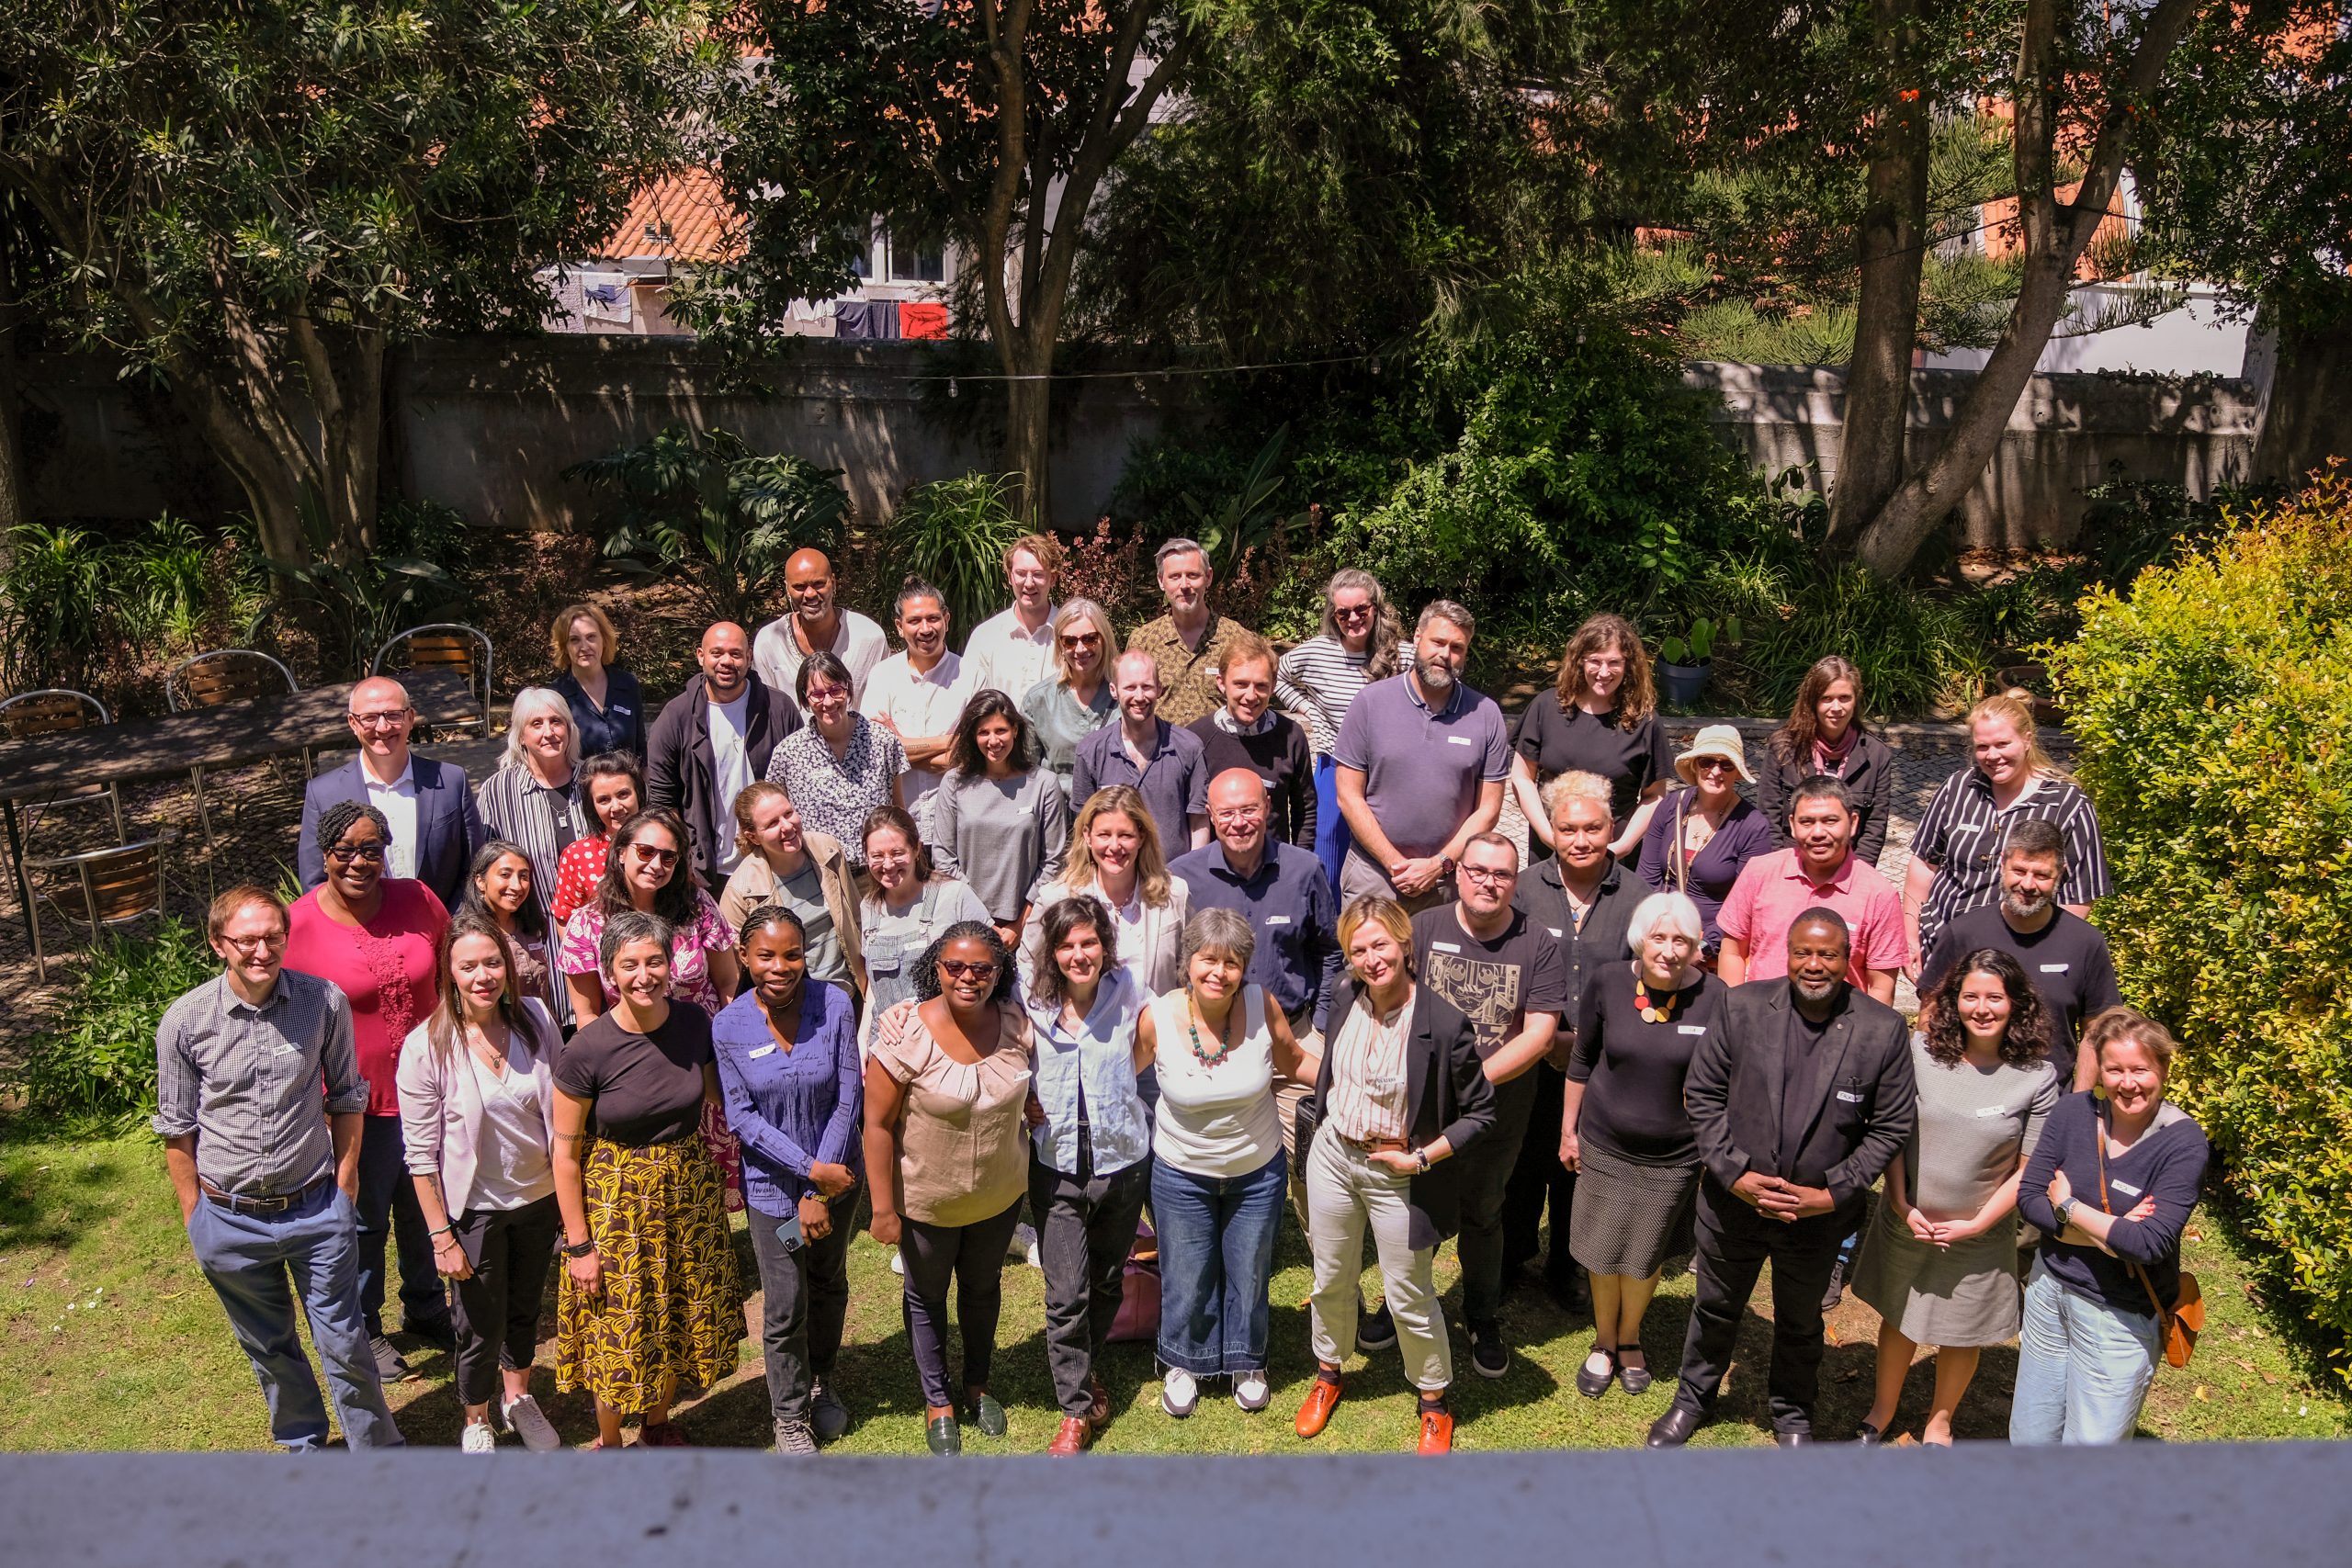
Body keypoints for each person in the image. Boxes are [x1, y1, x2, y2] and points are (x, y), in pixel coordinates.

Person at [1647, 911, 1914, 1448]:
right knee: (1716, 1308)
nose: (1814, 966)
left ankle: (1792, 1414)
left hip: (1816, 1218)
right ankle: (1693, 1399)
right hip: (1732, 1205)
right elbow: (1703, 1095)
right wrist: (1734, 1174)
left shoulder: (1881, 1030)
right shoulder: (1741, 1006)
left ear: (1848, 959)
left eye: (1829, 955)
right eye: (1803, 953)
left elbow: (1891, 1126)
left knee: (1799, 1320)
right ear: (1787, 953)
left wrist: (1832, 1192)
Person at [154, 885, 403, 1451]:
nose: (262, 951)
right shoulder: (184, 1022)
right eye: (247, 940)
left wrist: (345, 1190)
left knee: (344, 1343)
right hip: (229, 1219)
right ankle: (304, 1446)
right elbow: (177, 1127)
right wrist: (197, 1217)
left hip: (316, 1208)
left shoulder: (325, 1002)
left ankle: (381, 1457)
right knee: (269, 1347)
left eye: (273, 937)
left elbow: (346, 1097)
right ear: (219, 944)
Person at [1295, 896, 1494, 1455]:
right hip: (1334, 1156)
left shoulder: (1445, 1022)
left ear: (1405, 945)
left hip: (1398, 1171)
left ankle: (1433, 1400)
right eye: (1358, 950)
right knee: (1331, 1278)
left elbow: (1481, 1114)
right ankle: (1329, 1373)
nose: (1370, 959)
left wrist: (1423, 1157)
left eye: (1380, 944)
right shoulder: (1340, 996)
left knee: (1408, 1292)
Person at [1850, 949, 2061, 1446]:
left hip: (1978, 1233)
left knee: (1961, 1330)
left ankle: (1940, 1421)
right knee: (1899, 1314)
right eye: (1971, 996)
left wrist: (1979, 1224)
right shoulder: (1919, 1052)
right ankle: (1883, 1410)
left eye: (1995, 997)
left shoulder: (2038, 1077)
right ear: (1954, 1001)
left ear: (2017, 1005)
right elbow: (1893, 1131)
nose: (1981, 1008)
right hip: (1907, 1218)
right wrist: (1900, 1201)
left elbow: (2028, 1172)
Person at [551, 910, 743, 1449]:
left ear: (670, 963)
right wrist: (579, 1244)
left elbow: (716, 1095)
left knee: (678, 1309)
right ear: (609, 972)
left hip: (688, 1189)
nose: (644, 975)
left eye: (654, 961)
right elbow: (564, 1157)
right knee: (621, 1323)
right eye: (629, 964)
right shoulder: (587, 1049)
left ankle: (656, 1427)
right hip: (618, 1203)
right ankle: (612, 1444)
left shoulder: (692, 1024)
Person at [284, 799, 452, 1383]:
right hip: (356, 1100)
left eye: (371, 850)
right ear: (325, 856)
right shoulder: (299, 924)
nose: (359, 862)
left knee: (424, 1200)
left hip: (431, 1084)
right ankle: (365, 1325)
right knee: (363, 1215)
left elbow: (452, 962)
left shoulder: (417, 899)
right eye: (345, 852)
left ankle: (427, 1302)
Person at [396, 911, 566, 1453]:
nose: (483, 976)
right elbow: (419, 1157)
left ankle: (518, 1399)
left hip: (538, 1197)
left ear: (508, 965)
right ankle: (476, 1419)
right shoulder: (427, 1047)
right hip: (476, 1208)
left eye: (492, 962)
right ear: (449, 972)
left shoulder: (536, 1019)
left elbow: (562, 1113)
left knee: (524, 1309)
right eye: (468, 966)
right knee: (476, 1321)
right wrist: (441, 1236)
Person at [1142, 908, 1320, 1420]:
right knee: (1188, 1269)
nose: (1219, 972)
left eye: (1231, 962)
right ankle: (1184, 1362)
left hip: (1256, 1171)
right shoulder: (1157, 1017)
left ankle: (1247, 1359)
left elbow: (1293, 1060)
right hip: (1180, 1170)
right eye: (1208, 960)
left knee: (1250, 1267)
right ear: (1188, 963)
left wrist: (1347, 1079)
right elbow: (1118, 1072)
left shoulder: (1263, 1006)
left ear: (1245, 967)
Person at [864, 923, 1035, 1455]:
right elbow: (876, 1125)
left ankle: (977, 1385)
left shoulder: (1015, 1024)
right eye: (955, 967)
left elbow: (1032, 1089)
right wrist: (884, 1209)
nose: (968, 978)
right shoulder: (904, 1033)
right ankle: (938, 1402)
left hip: (999, 1197)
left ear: (998, 973)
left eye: (982, 968)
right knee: (927, 1299)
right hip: (927, 1203)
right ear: (934, 969)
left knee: (983, 1293)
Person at [1408, 830, 1566, 1381]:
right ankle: (1403, 1305)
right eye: (1478, 870)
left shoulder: (1538, 942)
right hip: (1422, 1104)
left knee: (1483, 1211)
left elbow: (1540, 1034)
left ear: (1514, 881)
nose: (1488, 882)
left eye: (1501, 874)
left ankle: (1481, 1314)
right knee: (1413, 1209)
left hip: (1498, 1109)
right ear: (1458, 873)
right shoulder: (1423, 928)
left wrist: (1468, 1082)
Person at [2012, 1007, 2210, 1446]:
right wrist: (2109, 1233)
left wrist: (2067, 1206)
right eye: (2114, 1069)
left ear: (2163, 1067)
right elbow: (2028, 1200)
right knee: (2030, 1435)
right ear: (2099, 1069)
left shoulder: (2183, 1142)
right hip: (2050, 1292)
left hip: (2119, 1315)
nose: (2127, 1083)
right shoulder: (2070, 1115)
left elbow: (2149, 1242)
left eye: (2140, 1069)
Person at [1560, 892, 1725, 1401]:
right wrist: (1569, 1129)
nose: (1669, 950)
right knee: (1602, 1249)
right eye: (1659, 937)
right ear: (1640, 939)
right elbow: (1583, 1058)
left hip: (1675, 1155)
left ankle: (1631, 1336)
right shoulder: (1608, 981)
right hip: (1605, 1144)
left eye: (1681, 940)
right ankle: (1604, 1340)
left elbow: (1723, 1081)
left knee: (1646, 1253)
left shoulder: (1716, 997)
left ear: (1696, 946)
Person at [711, 905, 863, 1454]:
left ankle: (822, 1377)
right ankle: (788, 1414)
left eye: (793, 954)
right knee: (785, 1299)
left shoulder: (836, 1004)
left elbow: (848, 1097)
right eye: (766, 956)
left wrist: (820, 1187)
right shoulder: (728, 1026)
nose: (781, 966)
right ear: (744, 959)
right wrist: (805, 1178)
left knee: (827, 1280)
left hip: (839, 1182)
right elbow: (743, 1118)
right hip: (774, 1196)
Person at [1170, 769, 1343, 1225]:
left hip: (1296, 1037)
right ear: (1210, 815)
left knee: (1312, 1161)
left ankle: (1327, 1271)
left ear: (1268, 809)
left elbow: (1330, 950)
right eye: (1226, 813)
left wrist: (1322, 1023)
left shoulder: (1304, 870)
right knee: (1216, 1159)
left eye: (1249, 809)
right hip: (1214, 1043)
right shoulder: (1182, 879)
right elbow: (1174, 958)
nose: (1239, 822)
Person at [1504, 771, 1645, 1312]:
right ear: (1551, 832)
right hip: (1528, 1054)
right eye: (1568, 829)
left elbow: (1646, 981)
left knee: (1577, 1166)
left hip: (1602, 1062)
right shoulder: (1525, 890)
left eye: (1592, 828)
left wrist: (1586, 1042)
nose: (1581, 840)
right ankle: (1512, 1256)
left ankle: (1566, 1265)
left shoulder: (1637, 897)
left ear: (1612, 828)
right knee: (1523, 1159)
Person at [1021, 895, 1153, 1453]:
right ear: (1052, 952)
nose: (1080, 954)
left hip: (1122, 1161)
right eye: (1068, 945)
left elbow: (1147, 1046)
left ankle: (1086, 1365)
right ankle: (1074, 1409)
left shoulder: (1130, 992)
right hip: (1057, 1170)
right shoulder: (1028, 1002)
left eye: (1089, 943)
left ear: (1105, 946)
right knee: (1065, 1291)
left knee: (1104, 1281)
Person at [1905, 690, 2110, 964]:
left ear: (2027, 740)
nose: (1993, 756)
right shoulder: (1958, 787)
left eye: (2003, 744)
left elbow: (2079, 896)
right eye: (1982, 747)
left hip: (2017, 959)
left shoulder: (2068, 805)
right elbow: (1923, 864)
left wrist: (2042, 953)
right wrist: (1910, 938)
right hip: (1941, 948)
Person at [1333, 600, 1510, 911]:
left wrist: (1438, 865)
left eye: (1457, 647)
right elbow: (1348, 796)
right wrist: (1396, 864)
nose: (1445, 654)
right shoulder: (1370, 704)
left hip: (1448, 882)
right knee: (1367, 961)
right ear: (1417, 638)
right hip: (1373, 876)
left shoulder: (1485, 714)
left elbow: (1489, 809)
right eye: (1438, 642)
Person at [1918, 818, 2122, 1089]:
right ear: (2002, 863)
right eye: (2019, 870)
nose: (2028, 885)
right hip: (1967, 1093)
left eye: (2041, 875)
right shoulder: (1963, 934)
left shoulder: (2086, 942)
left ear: (2061, 872)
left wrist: (2077, 1104)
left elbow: (2096, 1033)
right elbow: (1929, 1015)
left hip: (2050, 1101)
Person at [299, 674, 483, 911]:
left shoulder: (450, 781)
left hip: (442, 934)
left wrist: (453, 929)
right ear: (353, 724)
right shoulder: (323, 793)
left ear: (410, 718)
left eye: (393, 715)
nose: (383, 727)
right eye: (369, 718)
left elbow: (474, 869)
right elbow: (315, 883)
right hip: (361, 937)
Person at [1277, 568, 1412, 890]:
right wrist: (1306, 707)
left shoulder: (1402, 656)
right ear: (1333, 614)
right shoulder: (1316, 652)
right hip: (1333, 766)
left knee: (1383, 847)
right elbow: (1278, 675)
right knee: (1328, 850)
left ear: (1375, 609)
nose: (1353, 618)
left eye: (1361, 610)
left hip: (1387, 771)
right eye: (1343, 612)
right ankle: (1330, 928)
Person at [1717, 775, 1906, 1002]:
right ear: (1793, 824)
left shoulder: (1879, 895)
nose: (1818, 833)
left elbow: (1881, 986)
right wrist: (1736, 1012)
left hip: (1841, 1029)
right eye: (1807, 822)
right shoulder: (1759, 873)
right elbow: (1732, 952)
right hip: (1762, 1022)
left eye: (1830, 821)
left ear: (1853, 822)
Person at [646, 621, 803, 891]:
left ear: (749, 656)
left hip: (774, 862)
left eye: (735, 653)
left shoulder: (778, 709)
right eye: (716, 653)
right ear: (700, 656)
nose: (726, 662)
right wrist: (684, 860)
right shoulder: (676, 717)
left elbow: (802, 784)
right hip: (707, 872)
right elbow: (662, 799)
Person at [1507, 615, 1673, 859]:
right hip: (1549, 848)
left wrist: (1624, 846)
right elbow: (1522, 777)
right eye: (1595, 661)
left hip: (1613, 852)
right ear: (1580, 662)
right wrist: (1546, 834)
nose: (1604, 672)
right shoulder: (1546, 706)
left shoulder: (1643, 721)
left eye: (1614, 662)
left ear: (1628, 665)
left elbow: (1654, 795)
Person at [559, 807, 739, 1026]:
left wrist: (729, 1041)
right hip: (635, 1049)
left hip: (704, 1042)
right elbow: (588, 1016)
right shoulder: (586, 924)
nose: (656, 865)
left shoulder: (698, 904)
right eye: (645, 852)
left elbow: (728, 982)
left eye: (668, 857)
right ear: (621, 853)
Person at [475, 687, 590, 1021]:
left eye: (557, 722)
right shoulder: (499, 791)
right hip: (534, 941)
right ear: (520, 735)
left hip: (600, 938)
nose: (548, 732)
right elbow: (483, 868)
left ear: (570, 729)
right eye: (536, 724)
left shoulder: (594, 781)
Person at [928, 689, 1070, 946]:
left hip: (1029, 924)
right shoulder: (954, 783)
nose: (993, 741)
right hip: (966, 922)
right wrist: (982, 921)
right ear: (973, 736)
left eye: (1001, 730)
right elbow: (944, 859)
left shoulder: (1043, 784)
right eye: (984, 732)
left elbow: (1054, 861)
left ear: (1015, 729)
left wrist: (1020, 923)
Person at [1024, 784, 1194, 1000]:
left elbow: (1189, 971)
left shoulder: (1175, 894)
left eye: (1125, 835)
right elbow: (1027, 969)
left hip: (1155, 1027)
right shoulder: (1055, 897)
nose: (1114, 847)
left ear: (1141, 837)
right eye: (1104, 835)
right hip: (1082, 1029)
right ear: (1087, 836)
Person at [857, 806, 995, 1048]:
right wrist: (862, 1040)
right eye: (877, 856)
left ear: (917, 848)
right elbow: (873, 989)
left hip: (943, 1041)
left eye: (897, 853)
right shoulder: (869, 907)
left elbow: (993, 962)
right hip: (886, 1045)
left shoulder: (954, 895)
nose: (888, 865)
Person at [1637, 725, 1774, 957]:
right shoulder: (1671, 806)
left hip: (1710, 945)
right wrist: (1652, 932)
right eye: (1707, 762)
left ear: (1737, 772)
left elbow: (1745, 904)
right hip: (1658, 933)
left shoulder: (1753, 825)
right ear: (1694, 765)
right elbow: (1646, 876)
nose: (1716, 771)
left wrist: (1703, 949)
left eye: (1726, 764)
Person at [719, 782, 867, 997]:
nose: (787, 826)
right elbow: (736, 970)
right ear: (752, 836)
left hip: (850, 995)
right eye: (772, 824)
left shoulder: (828, 851)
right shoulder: (741, 892)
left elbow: (857, 920)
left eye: (788, 813)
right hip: (792, 1008)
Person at [765, 649, 909, 871]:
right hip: (819, 875)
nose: (829, 701)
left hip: (878, 873)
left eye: (836, 690)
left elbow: (899, 809)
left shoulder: (883, 741)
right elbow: (775, 817)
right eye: (818, 694)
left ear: (848, 689)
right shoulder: (788, 753)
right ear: (805, 698)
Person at [1753, 656, 1895, 866]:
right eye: (1827, 698)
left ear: (1856, 700)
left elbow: (1875, 827)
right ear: (1812, 701)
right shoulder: (1784, 748)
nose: (1836, 707)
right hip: (1791, 864)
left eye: (1845, 698)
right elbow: (1769, 816)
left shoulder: (1877, 755)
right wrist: (1782, 870)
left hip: (1848, 867)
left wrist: (1856, 876)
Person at [861, 577, 977, 830]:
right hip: (900, 825)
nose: (925, 629)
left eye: (933, 618)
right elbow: (877, 750)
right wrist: (947, 741)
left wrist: (900, 746)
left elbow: (971, 754)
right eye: (914, 621)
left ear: (947, 619)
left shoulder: (972, 675)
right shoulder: (882, 676)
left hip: (957, 823)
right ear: (900, 627)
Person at [1072, 649, 1210, 857]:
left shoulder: (1188, 747)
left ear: (1160, 689)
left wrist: (1192, 876)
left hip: (1172, 879)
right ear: (1113, 690)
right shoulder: (1091, 751)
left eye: (1147, 687)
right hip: (1113, 878)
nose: (1139, 696)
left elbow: (1199, 821)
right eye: (1130, 687)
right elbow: (1083, 824)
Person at [1187, 630, 1315, 851]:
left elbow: (1306, 808)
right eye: (1241, 684)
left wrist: (1300, 861)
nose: (1251, 695)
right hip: (1213, 869)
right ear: (1221, 683)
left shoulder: (1291, 736)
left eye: (1261, 686)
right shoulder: (1196, 739)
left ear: (1273, 687)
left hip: (1275, 867)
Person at [1125, 536, 1247, 727]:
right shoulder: (1143, 641)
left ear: (1208, 577)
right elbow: (1129, 705)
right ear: (1161, 581)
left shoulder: (1236, 639)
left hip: (1217, 753)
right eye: (1175, 576)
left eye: (1192, 575)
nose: (1184, 585)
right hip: (1162, 754)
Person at [752, 546, 890, 701]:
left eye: (818, 584)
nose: (810, 594)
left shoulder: (868, 637)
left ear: (833, 583)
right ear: (787, 589)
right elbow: (767, 709)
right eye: (799, 587)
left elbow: (884, 701)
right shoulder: (769, 642)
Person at [1020, 598, 1120, 800]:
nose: (1080, 649)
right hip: (1058, 818)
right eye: (1070, 641)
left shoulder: (1125, 694)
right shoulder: (1039, 700)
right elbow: (1026, 772)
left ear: (1104, 638)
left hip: (1113, 815)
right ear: (1060, 645)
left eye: (1090, 638)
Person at [963, 531, 1063, 701]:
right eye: (1021, 574)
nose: (1029, 583)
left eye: (1038, 574)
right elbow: (969, 701)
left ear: (1052, 579)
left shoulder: (1070, 635)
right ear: (1010, 577)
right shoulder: (985, 637)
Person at [459, 840, 555, 1011]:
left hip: (542, 1031)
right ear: (480, 882)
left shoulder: (531, 927)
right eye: (505, 875)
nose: (517, 886)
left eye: (523, 877)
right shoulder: (468, 937)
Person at [550, 753, 643, 928]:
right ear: (592, 806)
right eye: (604, 800)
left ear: (638, 793)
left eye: (623, 794)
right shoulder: (577, 855)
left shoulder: (665, 842)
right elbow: (565, 919)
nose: (616, 807)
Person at [547, 602, 646, 761]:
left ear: (604, 640)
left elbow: (641, 748)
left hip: (627, 783)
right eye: (574, 640)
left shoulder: (628, 684)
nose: (584, 646)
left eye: (591, 637)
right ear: (565, 647)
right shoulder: (555, 696)